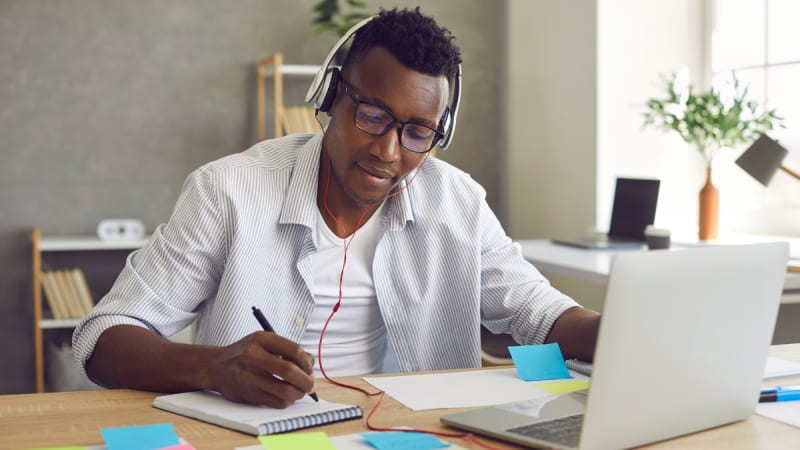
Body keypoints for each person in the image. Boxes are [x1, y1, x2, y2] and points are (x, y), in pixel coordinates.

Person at [73, 7, 600, 409]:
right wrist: (214, 366)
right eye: (372, 114)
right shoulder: (229, 191)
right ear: (330, 99)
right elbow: (101, 339)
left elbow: (538, 313)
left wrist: (613, 331)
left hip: (404, 433)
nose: (388, 151)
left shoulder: (457, 202)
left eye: (417, 132)